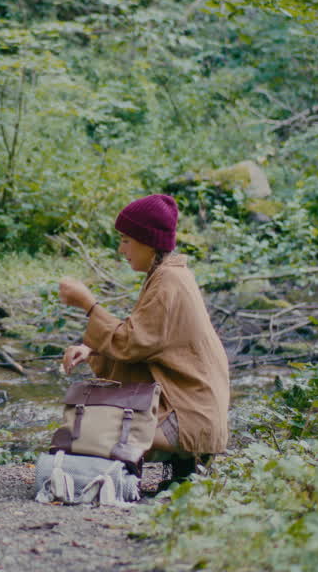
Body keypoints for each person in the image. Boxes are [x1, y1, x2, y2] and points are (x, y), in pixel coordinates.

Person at [57, 193, 229, 488]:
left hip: (191, 414)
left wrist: (88, 304)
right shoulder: (169, 274)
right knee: (99, 422)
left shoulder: (169, 281)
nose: (121, 249)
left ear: (149, 242)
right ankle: (181, 472)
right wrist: (91, 349)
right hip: (194, 406)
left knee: (95, 431)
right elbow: (143, 340)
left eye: (126, 240)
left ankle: (183, 463)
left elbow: (131, 344)